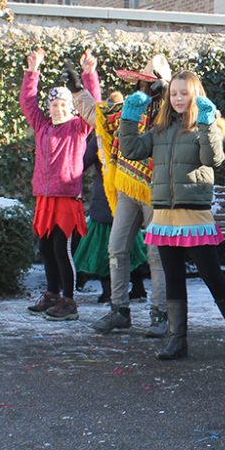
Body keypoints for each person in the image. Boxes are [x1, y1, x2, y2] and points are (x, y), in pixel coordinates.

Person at [118, 70, 225, 361]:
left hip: (194, 215)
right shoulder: (160, 128)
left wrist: (205, 124)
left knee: (211, 274)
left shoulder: (207, 125)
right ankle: (177, 339)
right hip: (165, 216)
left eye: (184, 93)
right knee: (174, 277)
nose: (178, 98)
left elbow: (212, 159)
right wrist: (129, 118)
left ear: (196, 94)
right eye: (174, 93)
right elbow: (130, 149)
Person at [72, 56, 169, 337]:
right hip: (127, 186)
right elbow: (99, 115)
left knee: (157, 255)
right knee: (116, 248)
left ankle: (160, 314)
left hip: (157, 191)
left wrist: (164, 98)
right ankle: (119, 310)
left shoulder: (170, 110)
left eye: (149, 82)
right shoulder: (129, 107)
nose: (143, 86)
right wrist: (79, 91)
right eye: (142, 81)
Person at [21, 48, 102, 321]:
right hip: (45, 198)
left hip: (67, 198)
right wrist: (33, 71)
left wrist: (89, 75)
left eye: (63, 105)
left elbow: (95, 108)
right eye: (53, 105)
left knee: (61, 249)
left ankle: (69, 300)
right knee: (45, 248)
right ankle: (53, 295)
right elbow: (28, 104)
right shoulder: (43, 126)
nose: (57, 109)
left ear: (71, 106)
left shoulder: (79, 128)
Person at [72, 93, 150, 305]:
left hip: (106, 201)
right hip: (127, 199)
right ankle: (138, 290)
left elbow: (83, 162)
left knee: (106, 251)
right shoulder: (137, 130)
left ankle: (110, 293)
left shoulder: (102, 134)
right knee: (130, 250)